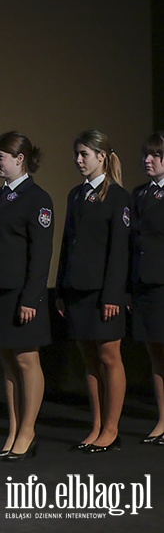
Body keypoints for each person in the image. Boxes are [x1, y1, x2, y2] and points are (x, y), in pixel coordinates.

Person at [0, 132, 54, 461]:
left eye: (1, 157)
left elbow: (41, 254)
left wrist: (31, 298)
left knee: (26, 359)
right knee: (8, 362)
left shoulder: (37, 198)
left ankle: (28, 430)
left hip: (22, 294)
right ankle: (13, 428)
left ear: (20, 159)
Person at [55, 129, 129, 454]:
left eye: (84, 154)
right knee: (89, 359)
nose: (78, 160)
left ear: (101, 156)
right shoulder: (75, 194)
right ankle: (97, 425)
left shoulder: (118, 197)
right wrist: (60, 288)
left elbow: (120, 251)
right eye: (77, 154)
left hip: (104, 293)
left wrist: (113, 295)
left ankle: (112, 428)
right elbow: (67, 245)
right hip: (77, 290)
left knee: (109, 356)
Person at [131, 132, 164, 445]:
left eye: (155, 155)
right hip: (145, 284)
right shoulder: (139, 194)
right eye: (146, 154)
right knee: (155, 353)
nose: (148, 160)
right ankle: (163, 419)